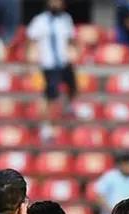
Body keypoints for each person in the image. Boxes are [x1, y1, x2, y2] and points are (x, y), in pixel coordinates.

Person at [26, 0, 77, 142]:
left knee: (73, 87)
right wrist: (31, 57)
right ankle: (47, 127)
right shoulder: (39, 20)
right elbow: (31, 39)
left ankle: (67, 107)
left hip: (64, 61)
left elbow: (71, 39)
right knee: (51, 96)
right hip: (48, 64)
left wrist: (73, 52)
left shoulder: (66, 19)